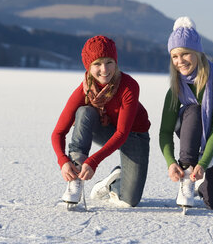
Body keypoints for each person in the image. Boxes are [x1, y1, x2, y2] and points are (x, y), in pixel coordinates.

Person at [51, 35, 150, 208]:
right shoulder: (83, 91)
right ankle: (76, 179)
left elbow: (122, 133)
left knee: (129, 200)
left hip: (134, 135)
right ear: (88, 67)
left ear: (116, 62)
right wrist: (63, 161)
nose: (104, 69)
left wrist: (94, 161)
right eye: (97, 64)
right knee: (84, 111)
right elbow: (58, 132)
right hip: (105, 130)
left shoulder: (129, 86)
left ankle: (112, 182)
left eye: (109, 62)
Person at [159, 17, 213, 210]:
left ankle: (202, 183)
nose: (180, 61)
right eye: (175, 56)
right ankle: (187, 174)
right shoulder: (176, 87)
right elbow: (164, 131)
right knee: (194, 109)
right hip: (192, 128)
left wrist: (203, 163)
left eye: (185, 54)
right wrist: (171, 163)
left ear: (198, 52)